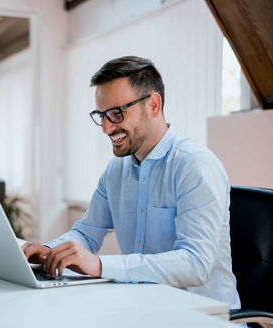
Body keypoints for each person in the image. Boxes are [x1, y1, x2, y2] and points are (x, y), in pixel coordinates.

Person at [22, 56, 241, 309]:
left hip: (201, 318)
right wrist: (50, 251)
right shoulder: (117, 170)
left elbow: (196, 264)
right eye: (101, 115)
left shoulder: (195, 166)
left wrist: (101, 265)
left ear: (154, 106)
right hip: (143, 310)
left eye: (116, 114)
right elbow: (87, 232)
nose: (106, 128)